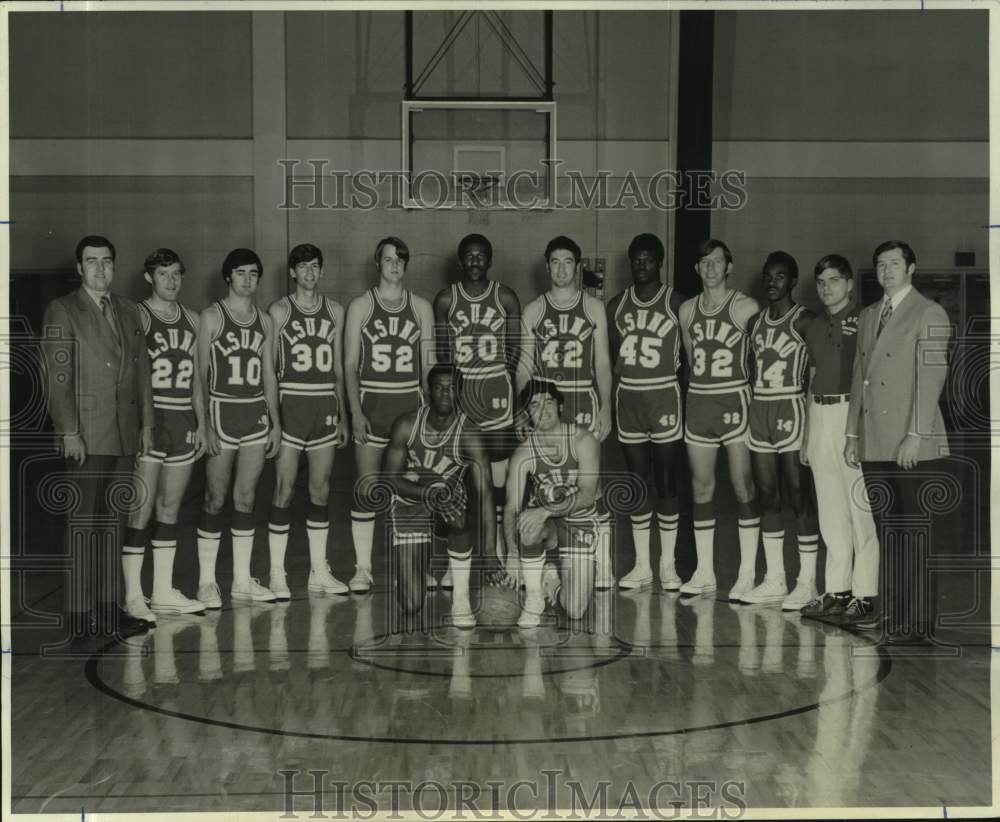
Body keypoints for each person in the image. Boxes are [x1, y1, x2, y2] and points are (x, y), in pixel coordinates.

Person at [42, 235, 155, 636]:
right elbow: (58, 378)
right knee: (82, 524)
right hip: (86, 435)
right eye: (91, 262)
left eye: (106, 261)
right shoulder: (63, 310)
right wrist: (68, 430)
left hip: (124, 433)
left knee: (113, 524)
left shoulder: (128, 310)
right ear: (79, 268)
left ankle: (108, 611)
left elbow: (142, 374)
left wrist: (146, 425)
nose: (100, 268)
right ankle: (78, 615)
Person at [845, 241, 951, 644]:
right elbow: (860, 375)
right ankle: (896, 616)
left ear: (911, 268)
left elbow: (932, 379)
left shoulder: (929, 312)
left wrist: (916, 435)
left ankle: (918, 624)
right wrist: (853, 433)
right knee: (890, 531)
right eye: (880, 264)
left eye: (894, 263)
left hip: (913, 443)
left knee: (915, 534)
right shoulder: (870, 314)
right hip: (874, 441)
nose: (886, 270)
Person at [517, 236, 613, 589]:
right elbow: (524, 369)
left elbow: (602, 361)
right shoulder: (534, 310)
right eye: (554, 261)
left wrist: (606, 405)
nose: (561, 269)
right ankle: (549, 562)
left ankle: (602, 564)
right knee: (546, 482)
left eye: (567, 262)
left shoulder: (593, 308)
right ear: (547, 266)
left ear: (578, 266)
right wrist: (523, 409)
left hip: (584, 399)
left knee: (590, 484)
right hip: (547, 404)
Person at [344, 237, 436, 593]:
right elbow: (350, 364)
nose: (394, 265)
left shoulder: (422, 308)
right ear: (377, 263)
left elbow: (428, 367)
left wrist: (430, 417)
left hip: (409, 412)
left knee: (411, 493)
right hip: (372, 409)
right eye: (388, 259)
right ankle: (362, 569)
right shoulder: (361, 306)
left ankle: (411, 569)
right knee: (368, 490)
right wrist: (355, 412)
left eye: (400, 260)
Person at [121, 249, 208, 621]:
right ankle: (133, 595)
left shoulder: (193, 319)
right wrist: (140, 423)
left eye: (176, 274)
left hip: (183, 420)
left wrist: (202, 423)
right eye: (163, 274)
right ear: (149, 278)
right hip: (151, 418)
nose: (171, 281)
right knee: (140, 507)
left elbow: (198, 379)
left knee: (170, 508)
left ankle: (161, 591)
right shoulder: (138, 315)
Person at [196, 248, 282, 608]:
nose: (248, 279)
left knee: (246, 498)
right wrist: (204, 425)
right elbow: (199, 375)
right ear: (228, 276)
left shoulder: (265, 321)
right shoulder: (211, 317)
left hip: (254, 414)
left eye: (253, 273)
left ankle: (242, 581)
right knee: (215, 498)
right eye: (241, 273)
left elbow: (268, 375)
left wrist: (275, 422)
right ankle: (205, 582)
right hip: (221, 411)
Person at [382, 365, 499, 627]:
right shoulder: (406, 425)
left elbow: (486, 493)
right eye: (438, 388)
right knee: (411, 604)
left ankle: (460, 599)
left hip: (447, 504)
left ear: (461, 393)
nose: (445, 394)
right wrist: (430, 494)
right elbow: (389, 480)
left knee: (458, 511)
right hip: (410, 501)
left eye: (452, 388)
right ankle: (414, 565)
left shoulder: (470, 434)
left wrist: (490, 552)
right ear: (428, 392)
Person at [434, 233, 521, 580]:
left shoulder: (505, 296)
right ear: (459, 260)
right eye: (468, 256)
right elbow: (443, 356)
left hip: (497, 396)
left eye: (480, 256)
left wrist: (500, 384)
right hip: (462, 396)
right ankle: (458, 559)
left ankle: (496, 548)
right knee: (460, 478)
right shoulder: (446, 299)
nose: (474, 262)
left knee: (497, 481)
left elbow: (514, 353)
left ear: (489, 259)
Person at [265, 243, 350, 599]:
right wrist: (274, 419)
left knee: (320, 489)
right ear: (292, 273)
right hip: (292, 405)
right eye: (303, 267)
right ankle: (276, 573)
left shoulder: (335, 310)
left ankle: (319, 570)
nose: (310, 272)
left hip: (324, 407)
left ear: (322, 270)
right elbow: (269, 369)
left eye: (315, 266)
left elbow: (338, 368)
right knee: (283, 490)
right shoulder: (279, 311)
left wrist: (343, 415)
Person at [799, 254, 880, 623]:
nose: (826, 288)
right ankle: (837, 588)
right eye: (821, 282)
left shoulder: (866, 319)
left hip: (852, 415)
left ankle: (865, 593)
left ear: (849, 283)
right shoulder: (813, 326)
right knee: (829, 509)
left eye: (834, 280)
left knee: (858, 508)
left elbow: (872, 379)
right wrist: (806, 436)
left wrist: (860, 429)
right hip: (819, 414)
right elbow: (811, 376)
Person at [678, 239, 761, 598]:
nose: (710, 267)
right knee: (701, 487)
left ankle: (746, 573)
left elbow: (762, 359)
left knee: (743, 486)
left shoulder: (746, 308)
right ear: (696, 269)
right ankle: (705, 571)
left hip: (736, 397)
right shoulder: (686, 310)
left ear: (730, 266)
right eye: (704, 261)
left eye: (717, 261)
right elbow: (691, 357)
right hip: (699, 400)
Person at [741, 251, 821, 608]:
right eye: (768, 276)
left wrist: (813, 420)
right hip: (760, 409)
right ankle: (775, 578)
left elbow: (819, 372)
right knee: (767, 496)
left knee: (798, 497)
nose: (772, 282)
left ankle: (807, 582)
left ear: (792, 281)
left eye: (780, 276)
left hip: (791, 406)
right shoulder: (754, 323)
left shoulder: (805, 321)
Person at [606, 233, 685, 590]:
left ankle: (667, 565)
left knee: (666, 480)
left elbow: (690, 359)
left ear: (660, 262)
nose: (641, 265)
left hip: (665, 394)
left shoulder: (677, 303)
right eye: (636, 260)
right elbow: (611, 357)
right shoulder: (616, 305)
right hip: (630, 398)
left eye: (648, 260)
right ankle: (642, 565)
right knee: (638, 481)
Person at [504, 379, 601, 628]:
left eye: (548, 402)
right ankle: (534, 598)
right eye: (534, 405)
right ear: (527, 414)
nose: (543, 410)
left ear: (560, 406)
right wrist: (512, 553)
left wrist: (544, 511)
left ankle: (552, 582)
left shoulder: (583, 440)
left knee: (576, 610)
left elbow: (588, 494)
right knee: (526, 523)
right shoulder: (523, 453)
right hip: (547, 523)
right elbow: (511, 506)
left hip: (579, 520)